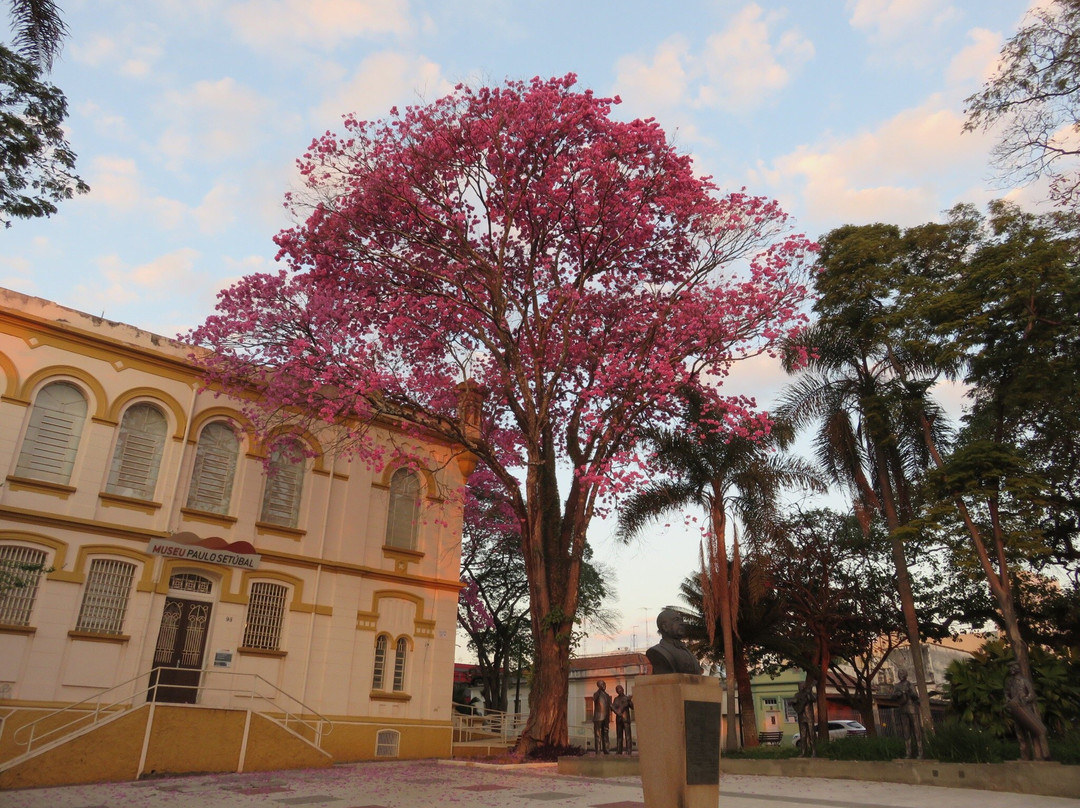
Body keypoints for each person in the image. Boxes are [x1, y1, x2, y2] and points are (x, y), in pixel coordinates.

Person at [1005, 662, 1050, 761]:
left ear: (1017, 668)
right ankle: (1025, 757)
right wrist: (1008, 700)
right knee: (1020, 735)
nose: (1011, 669)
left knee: (1033, 733)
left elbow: (1032, 694)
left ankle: (1038, 756)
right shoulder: (1010, 682)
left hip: (1026, 710)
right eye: (1010, 667)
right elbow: (1006, 693)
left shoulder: (1024, 681)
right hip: (1016, 711)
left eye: (1012, 667)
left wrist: (1025, 699)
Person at [645, 608, 703, 675]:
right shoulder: (655, 652)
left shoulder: (688, 652)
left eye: (682, 620)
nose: (682, 623)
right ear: (665, 627)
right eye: (676, 620)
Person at [894, 668, 923, 759]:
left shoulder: (910, 684)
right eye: (899, 673)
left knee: (916, 731)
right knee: (906, 732)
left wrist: (908, 692)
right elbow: (892, 696)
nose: (900, 675)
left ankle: (920, 752)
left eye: (902, 673)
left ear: (906, 674)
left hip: (912, 709)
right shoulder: (897, 686)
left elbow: (915, 696)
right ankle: (908, 753)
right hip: (903, 709)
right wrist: (898, 694)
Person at [792, 677, 816, 758]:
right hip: (801, 716)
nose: (800, 687)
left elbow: (813, 699)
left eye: (801, 685)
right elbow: (794, 702)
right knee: (802, 736)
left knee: (811, 734)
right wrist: (794, 701)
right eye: (799, 686)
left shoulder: (809, 693)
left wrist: (810, 693)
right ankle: (803, 752)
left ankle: (813, 752)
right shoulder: (797, 695)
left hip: (809, 717)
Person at [612, 684, 634, 754]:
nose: (619, 691)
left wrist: (629, 701)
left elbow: (632, 707)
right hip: (619, 719)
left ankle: (629, 750)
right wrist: (617, 711)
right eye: (618, 690)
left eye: (620, 689)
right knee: (619, 736)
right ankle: (619, 750)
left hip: (626, 719)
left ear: (623, 689)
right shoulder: (616, 699)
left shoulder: (626, 698)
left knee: (628, 736)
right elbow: (614, 708)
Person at [592, 680, 613, 754]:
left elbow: (611, 706)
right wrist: (599, 690)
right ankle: (598, 751)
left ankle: (606, 750)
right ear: (599, 686)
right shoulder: (596, 694)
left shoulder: (607, 695)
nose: (604, 685)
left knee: (606, 734)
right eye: (602, 684)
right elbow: (594, 699)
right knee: (598, 735)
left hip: (606, 718)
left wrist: (618, 712)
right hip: (598, 718)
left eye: (604, 684)